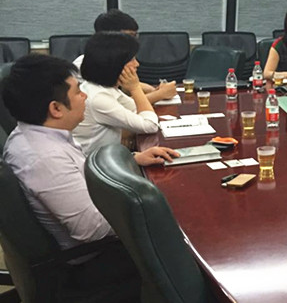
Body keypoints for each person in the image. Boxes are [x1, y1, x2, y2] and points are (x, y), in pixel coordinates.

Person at [1, 54, 177, 294]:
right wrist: (146, 210)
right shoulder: (44, 158)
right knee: (182, 239)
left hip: (94, 243)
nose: (85, 96)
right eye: (78, 92)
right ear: (56, 108)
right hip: (93, 262)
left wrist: (131, 160)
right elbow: (92, 231)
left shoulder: (35, 133)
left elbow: (79, 170)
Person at [73, 32, 160, 155]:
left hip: (107, 157)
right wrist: (135, 88)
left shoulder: (102, 87)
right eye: (132, 59)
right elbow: (150, 126)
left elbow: (135, 108)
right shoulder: (98, 97)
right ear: (114, 64)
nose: (137, 64)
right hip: (94, 163)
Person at [73, 9, 177, 103]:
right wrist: (159, 94)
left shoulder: (113, 59)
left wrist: (153, 90)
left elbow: (124, 87)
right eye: (130, 36)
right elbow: (119, 105)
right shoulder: (87, 63)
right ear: (109, 35)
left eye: (135, 36)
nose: (134, 41)